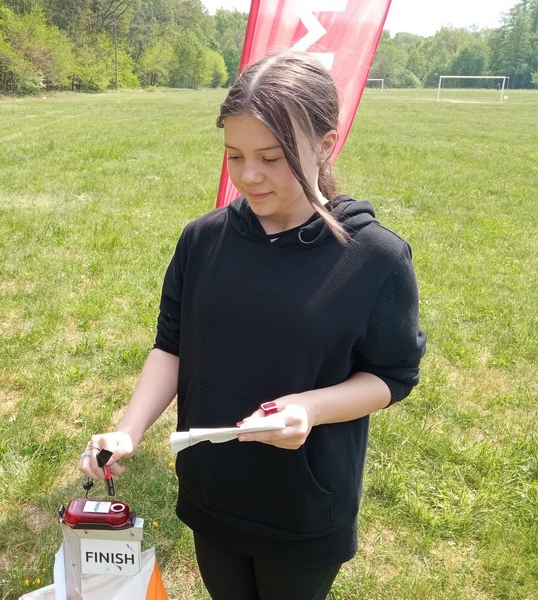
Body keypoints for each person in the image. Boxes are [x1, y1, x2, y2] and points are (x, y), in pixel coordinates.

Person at [79, 50, 426, 600]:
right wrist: (130, 428)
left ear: (325, 145)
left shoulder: (374, 259)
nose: (248, 176)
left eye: (272, 156)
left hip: (303, 505)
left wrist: (309, 408)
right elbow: (171, 347)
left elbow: (392, 375)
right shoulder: (202, 239)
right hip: (212, 489)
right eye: (234, 155)